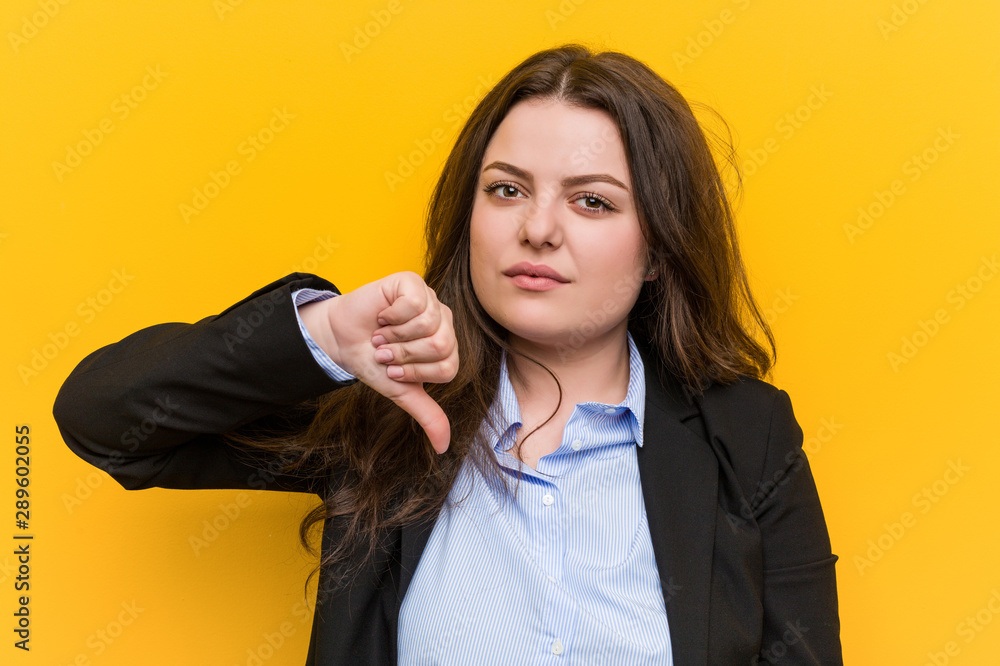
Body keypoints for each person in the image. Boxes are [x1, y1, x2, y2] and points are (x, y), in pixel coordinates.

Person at [53, 44, 842, 665]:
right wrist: (323, 334)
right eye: (507, 189)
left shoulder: (748, 437)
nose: (538, 228)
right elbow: (105, 421)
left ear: (661, 249)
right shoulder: (384, 412)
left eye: (592, 200)